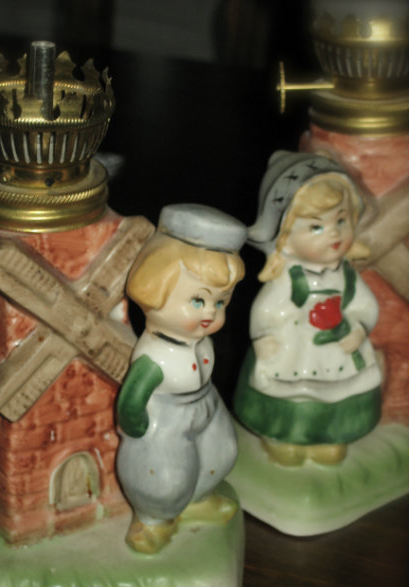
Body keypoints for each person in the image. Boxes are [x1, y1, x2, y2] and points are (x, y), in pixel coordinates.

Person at [233, 151, 382, 466]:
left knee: (340, 397)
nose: (334, 233)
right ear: (285, 239)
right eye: (316, 227)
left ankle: (330, 437)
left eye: (341, 220)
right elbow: (265, 310)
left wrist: (358, 327)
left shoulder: (346, 274)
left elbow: (364, 304)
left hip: (338, 352)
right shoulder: (288, 278)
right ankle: (283, 437)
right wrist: (263, 337)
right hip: (293, 351)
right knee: (290, 398)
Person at [116, 203, 247, 554]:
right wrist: (140, 432)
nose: (210, 313)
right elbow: (131, 402)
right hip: (167, 418)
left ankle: (198, 499)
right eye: (198, 301)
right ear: (154, 291)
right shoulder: (154, 357)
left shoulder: (200, 341)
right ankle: (152, 520)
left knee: (220, 452)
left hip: (204, 402)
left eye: (221, 303)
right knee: (166, 476)